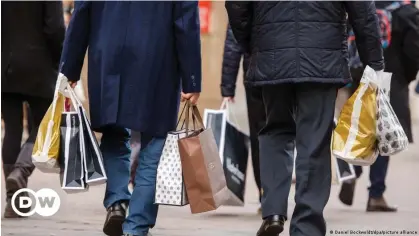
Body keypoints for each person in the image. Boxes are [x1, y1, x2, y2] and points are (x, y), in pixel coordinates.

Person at [225, 2, 384, 236]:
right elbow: (363, 12)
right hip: (322, 59)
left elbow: (237, 6)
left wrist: (255, 43)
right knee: (314, 141)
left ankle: (273, 212)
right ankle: (306, 225)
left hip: (273, 53)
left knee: (274, 131)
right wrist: (375, 63)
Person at [59, 2, 201, 236]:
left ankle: (117, 202)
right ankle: (136, 225)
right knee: (155, 141)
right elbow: (186, 23)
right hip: (157, 59)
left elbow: (81, 13)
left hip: (108, 56)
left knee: (113, 131)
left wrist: (70, 68)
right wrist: (192, 77)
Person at [339, 1, 419, 212]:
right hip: (392, 77)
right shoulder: (406, 12)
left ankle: (353, 172)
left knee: (364, 130)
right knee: (384, 135)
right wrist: (405, 78)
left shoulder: (362, 6)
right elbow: (414, 52)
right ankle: (376, 194)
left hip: (362, 75)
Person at [1, 1, 65, 218]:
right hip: (40, 66)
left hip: (5, 65)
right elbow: (55, 27)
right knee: (43, 127)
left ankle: (14, 202)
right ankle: (21, 170)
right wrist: (60, 60)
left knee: (12, 129)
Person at [220, 24, 264, 213]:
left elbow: (234, 37)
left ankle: (266, 193)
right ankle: (276, 191)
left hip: (256, 72)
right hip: (291, 73)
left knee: (260, 134)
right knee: (284, 134)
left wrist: (227, 85)